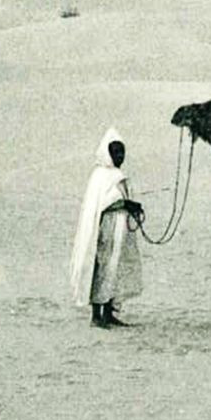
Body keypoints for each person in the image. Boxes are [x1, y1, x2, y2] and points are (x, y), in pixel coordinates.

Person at [68, 128, 146, 328]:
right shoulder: (100, 176)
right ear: (107, 152)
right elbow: (102, 204)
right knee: (103, 266)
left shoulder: (119, 175)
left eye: (122, 152)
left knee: (116, 267)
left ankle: (110, 311)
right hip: (107, 227)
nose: (120, 156)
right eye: (116, 152)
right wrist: (126, 205)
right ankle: (97, 314)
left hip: (121, 227)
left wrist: (132, 207)